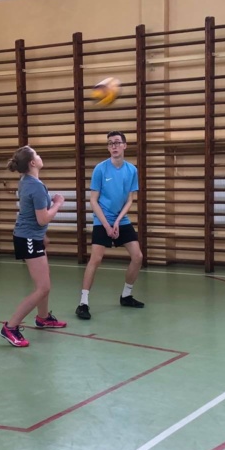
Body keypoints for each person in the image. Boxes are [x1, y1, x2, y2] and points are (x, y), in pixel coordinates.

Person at [1, 146, 67, 347]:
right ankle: (10, 327)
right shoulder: (35, 186)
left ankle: (43, 318)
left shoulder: (26, 181)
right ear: (32, 163)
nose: (40, 156)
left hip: (32, 236)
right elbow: (42, 218)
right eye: (37, 155)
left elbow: (29, 213)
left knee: (44, 283)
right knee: (43, 287)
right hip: (28, 238)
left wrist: (42, 235)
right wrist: (58, 203)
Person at [75, 131, 144, 320]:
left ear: (124, 145)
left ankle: (126, 296)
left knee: (137, 256)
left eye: (117, 142)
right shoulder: (100, 169)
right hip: (102, 219)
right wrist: (106, 225)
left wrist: (118, 221)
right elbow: (93, 200)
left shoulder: (132, 170)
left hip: (121, 219)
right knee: (95, 259)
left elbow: (130, 199)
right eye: (110, 143)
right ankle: (83, 303)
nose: (114, 146)